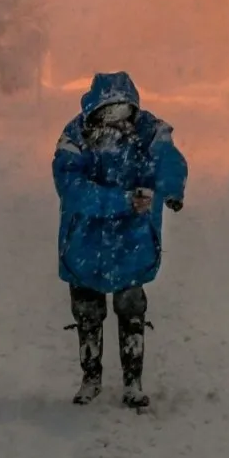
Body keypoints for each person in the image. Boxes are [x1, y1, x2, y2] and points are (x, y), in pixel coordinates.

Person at [52, 71, 188, 408]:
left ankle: (132, 381)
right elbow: (72, 189)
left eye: (122, 112)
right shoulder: (75, 136)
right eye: (109, 113)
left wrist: (170, 188)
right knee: (88, 309)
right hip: (86, 238)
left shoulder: (149, 131)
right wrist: (123, 201)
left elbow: (168, 158)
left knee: (130, 308)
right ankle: (91, 377)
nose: (116, 122)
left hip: (129, 238)